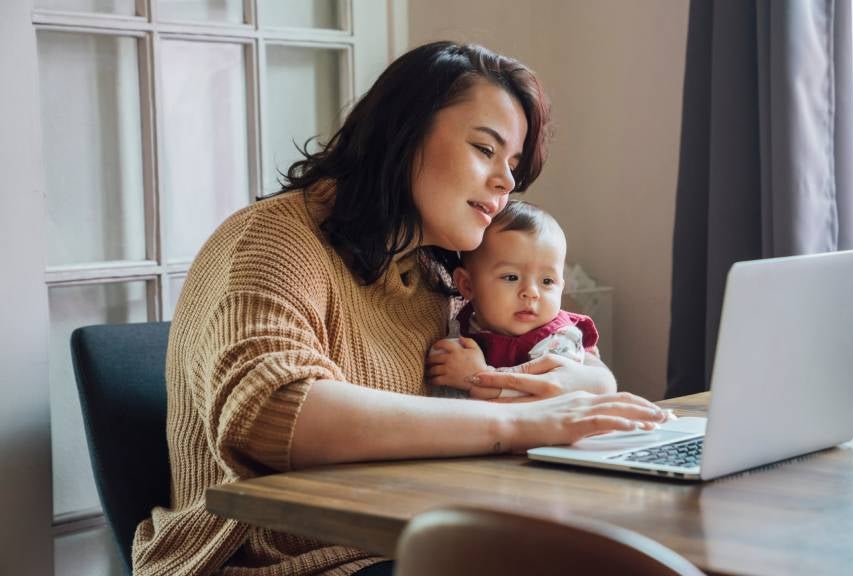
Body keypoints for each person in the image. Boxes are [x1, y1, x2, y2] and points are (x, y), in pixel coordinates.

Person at [132, 41, 671, 576]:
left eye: (512, 164)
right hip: (285, 561)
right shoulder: (273, 238)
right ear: (404, 135)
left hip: (413, 537)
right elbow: (274, 413)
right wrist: (518, 419)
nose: (507, 181)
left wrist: (583, 391)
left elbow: (584, 367)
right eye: (485, 149)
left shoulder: (437, 276)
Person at [428, 201, 599, 400]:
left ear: (561, 287)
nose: (531, 292)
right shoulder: (464, 328)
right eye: (511, 277)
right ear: (467, 285)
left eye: (547, 281)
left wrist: (477, 377)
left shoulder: (559, 340)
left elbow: (546, 395)